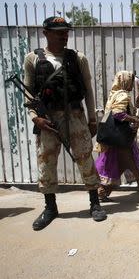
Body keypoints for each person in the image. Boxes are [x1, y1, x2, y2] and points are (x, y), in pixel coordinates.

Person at [23, 16, 107, 230]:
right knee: (46, 162)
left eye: (66, 31)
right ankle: (50, 207)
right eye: (59, 31)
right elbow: (28, 94)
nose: (64, 35)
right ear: (45, 33)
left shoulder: (77, 58)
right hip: (47, 119)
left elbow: (88, 90)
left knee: (84, 157)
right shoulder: (32, 59)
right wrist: (36, 118)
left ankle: (94, 204)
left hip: (75, 115)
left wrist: (92, 118)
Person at [95, 71, 139, 202]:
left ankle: (102, 193)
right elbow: (117, 114)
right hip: (122, 140)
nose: (133, 83)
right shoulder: (123, 95)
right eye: (131, 80)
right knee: (135, 165)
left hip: (115, 140)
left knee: (116, 166)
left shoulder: (113, 94)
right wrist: (134, 119)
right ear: (126, 81)